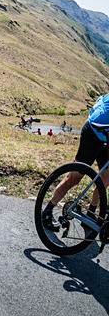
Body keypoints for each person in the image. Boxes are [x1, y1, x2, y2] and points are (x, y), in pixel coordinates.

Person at [41, 93, 109, 231]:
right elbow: (97, 121)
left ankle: (90, 213)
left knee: (106, 178)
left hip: (105, 138)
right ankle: (47, 211)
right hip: (92, 134)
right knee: (74, 178)